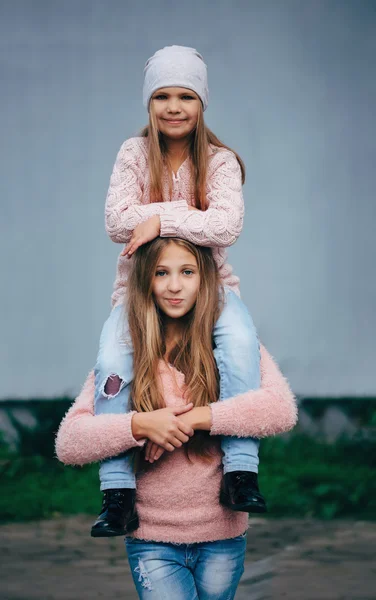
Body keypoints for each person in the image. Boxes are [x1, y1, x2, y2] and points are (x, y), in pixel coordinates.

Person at [56, 237, 298, 599]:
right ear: (145, 282)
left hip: (222, 537)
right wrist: (139, 426)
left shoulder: (233, 349)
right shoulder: (126, 354)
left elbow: (280, 410)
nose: (173, 286)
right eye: (160, 273)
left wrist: (195, 418)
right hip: (153, 540)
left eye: (187, 272)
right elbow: (69, 442)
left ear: (206, 279)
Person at [92, 44, 266, 538]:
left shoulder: (222, 162)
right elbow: (114, 221)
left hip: (212, 289)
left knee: (238, 344)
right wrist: (187, 220)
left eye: (185, 96)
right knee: (111, 359)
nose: (173, 107)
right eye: (162, 96)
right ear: (149, 103)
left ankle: (241, 468)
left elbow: (226, 225)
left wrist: (157, 218)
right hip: (139, 290)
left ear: (202, 103)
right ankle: (116, 491)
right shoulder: (133, 154)